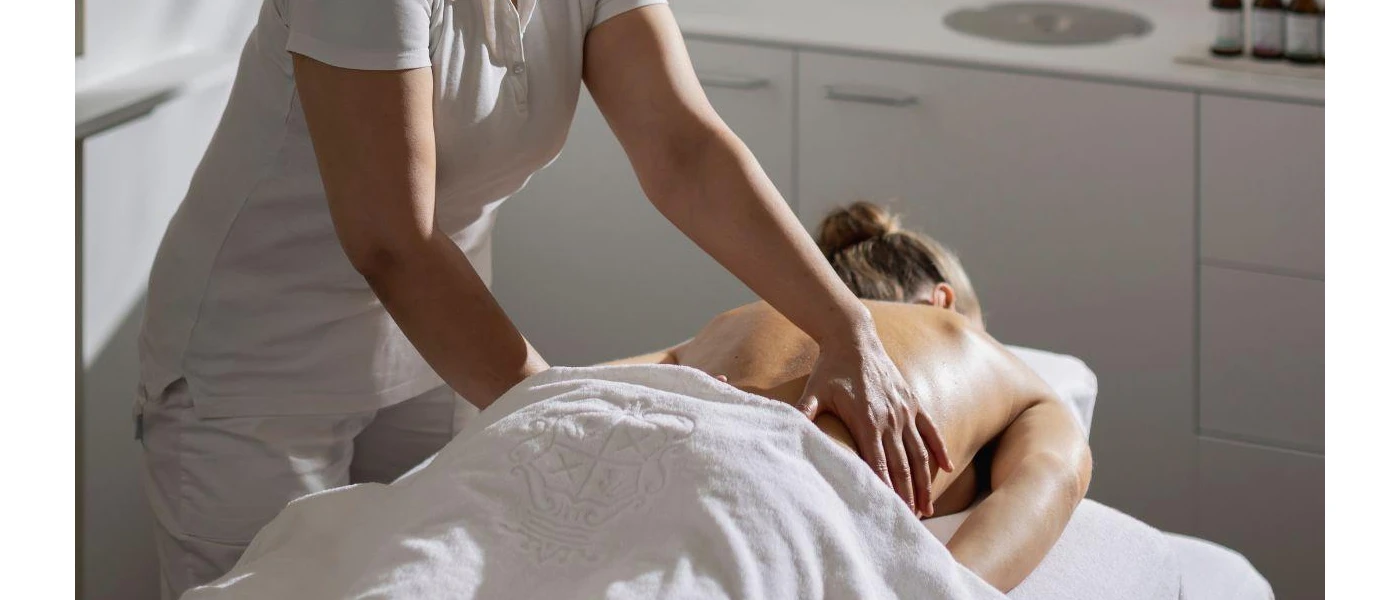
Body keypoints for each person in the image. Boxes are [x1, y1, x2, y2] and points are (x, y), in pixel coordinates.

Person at [135, 2, 949, 596]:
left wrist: (846, 325)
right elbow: (391, 238)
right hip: (258, 367)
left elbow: (684, 150)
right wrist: (566, 413)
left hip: (433, 346)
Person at [608, 202, 1094, 592]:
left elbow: (585, 385)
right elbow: (1053, 474)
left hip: (634, 463)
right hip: (773, 503)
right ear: (944, 301)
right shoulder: (979, 349)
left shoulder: (730, 323)